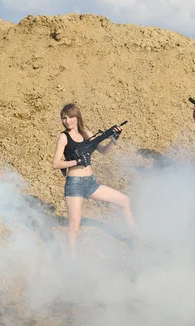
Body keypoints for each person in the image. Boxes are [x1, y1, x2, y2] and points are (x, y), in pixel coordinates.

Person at [52, 103, 135, 258]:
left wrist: (113, 139)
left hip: (90, 183)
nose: (68, 121)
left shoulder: (86, 134)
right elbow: (55, 163)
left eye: (71, 117)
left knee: (124, 201)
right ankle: (72, 262)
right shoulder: (64, 137)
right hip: (74, 185)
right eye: (64, 118)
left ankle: (136, 239)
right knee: (74, 227)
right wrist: (76, 161)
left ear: (77, 117)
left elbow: (103, 151)